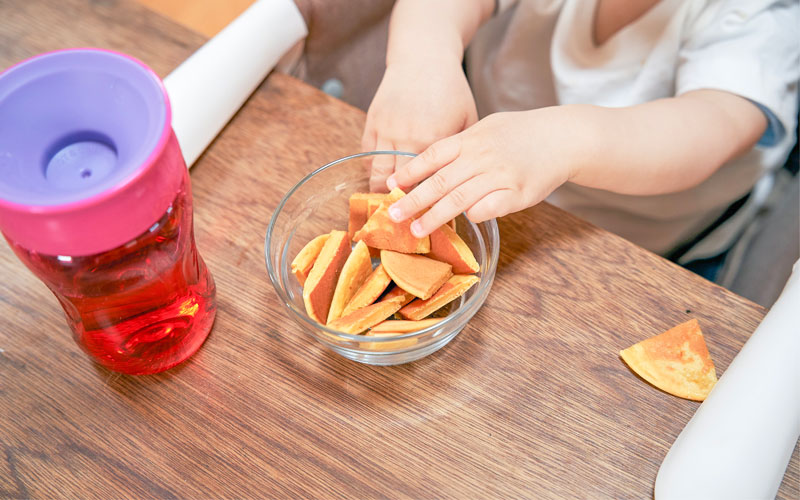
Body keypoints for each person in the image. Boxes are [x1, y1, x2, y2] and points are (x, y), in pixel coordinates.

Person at [361, 0, 799, 278]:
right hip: (500, 176)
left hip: (638, 238)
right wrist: (423, 58)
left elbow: (711, 124)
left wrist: (564, 140)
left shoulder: (760, 17)